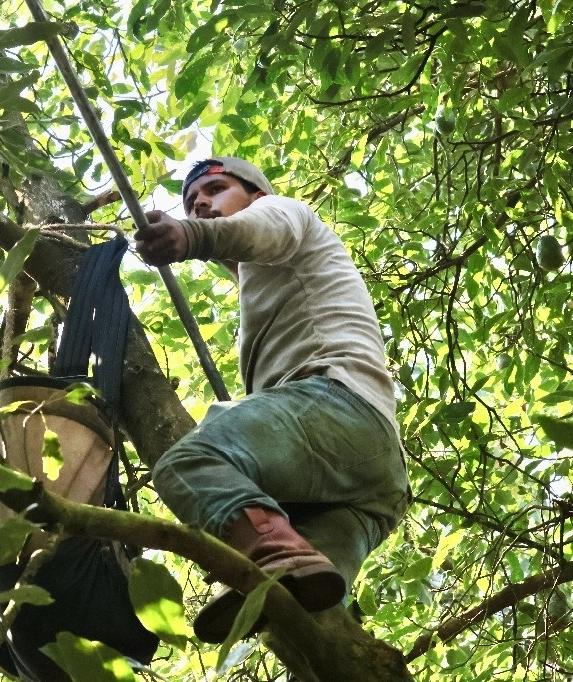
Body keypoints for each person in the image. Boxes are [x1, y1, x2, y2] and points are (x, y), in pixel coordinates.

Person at [134, 157, 410, 644]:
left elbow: (261, 230)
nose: (200, 203)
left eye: (215, 189)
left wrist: (190, 235)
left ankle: (269, 554)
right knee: (303, 618)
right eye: (192, 203)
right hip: (372, 488)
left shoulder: (284, 212)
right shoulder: (267, 286)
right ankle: (287, 583)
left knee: (193, 460)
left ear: (257, 195)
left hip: (336, 405)